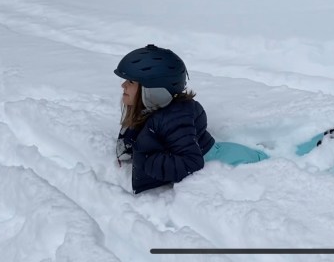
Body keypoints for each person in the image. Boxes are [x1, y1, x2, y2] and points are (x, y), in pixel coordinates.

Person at [114, 44, 268, 194]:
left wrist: (147, 161)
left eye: (131, 82)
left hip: (232, 164)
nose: (123, 85)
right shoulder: (153, 111)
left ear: (154, 91)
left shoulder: (174, 120)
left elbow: (191, 162)